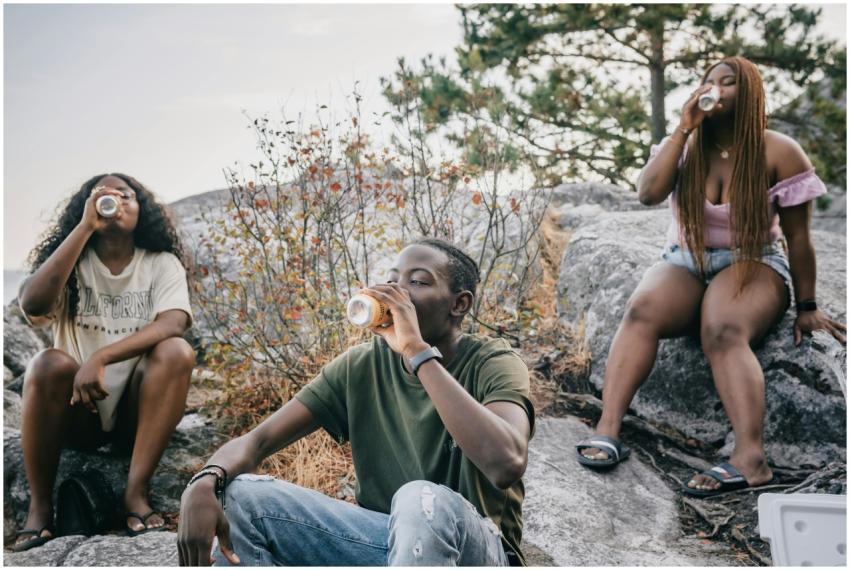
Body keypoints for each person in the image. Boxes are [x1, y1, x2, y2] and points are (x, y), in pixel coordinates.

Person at [574, 56, 845, 496]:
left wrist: (808, 306)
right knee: (642, 310)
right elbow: (647, 194)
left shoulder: (779, 151)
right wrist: (684, 127)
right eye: (710, 80)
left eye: (730, 82)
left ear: (751, 93)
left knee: (721, 329)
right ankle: (609, 428)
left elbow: (798, 238)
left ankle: (750, 459)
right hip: (686, 258)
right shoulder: (685, 143)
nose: (717, 88)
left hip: (753, 261)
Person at [177, 238, 534, 566]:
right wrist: (205, 481)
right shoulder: (360, 365)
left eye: (418, 282)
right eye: (393, 279)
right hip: (386, 544)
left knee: (421, 498)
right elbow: (256, 443)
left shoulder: (493, 363)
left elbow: (505, 463)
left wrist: (416, 353)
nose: (397, 292)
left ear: (460, 304)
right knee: (240, 496)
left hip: (476, 551)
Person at [13, 174, 194, 550]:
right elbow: (32, 304)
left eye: (126, 196)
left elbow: (174, 322)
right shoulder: (72, 265)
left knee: (176, 350)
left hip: (135, 414)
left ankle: (136, 493)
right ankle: (40, 509)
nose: (116, 203)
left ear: (142, 209)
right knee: (46, 363)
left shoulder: (161, 264)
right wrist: (84, 227)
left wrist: (102, 356)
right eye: (103, 197)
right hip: (79, 412)